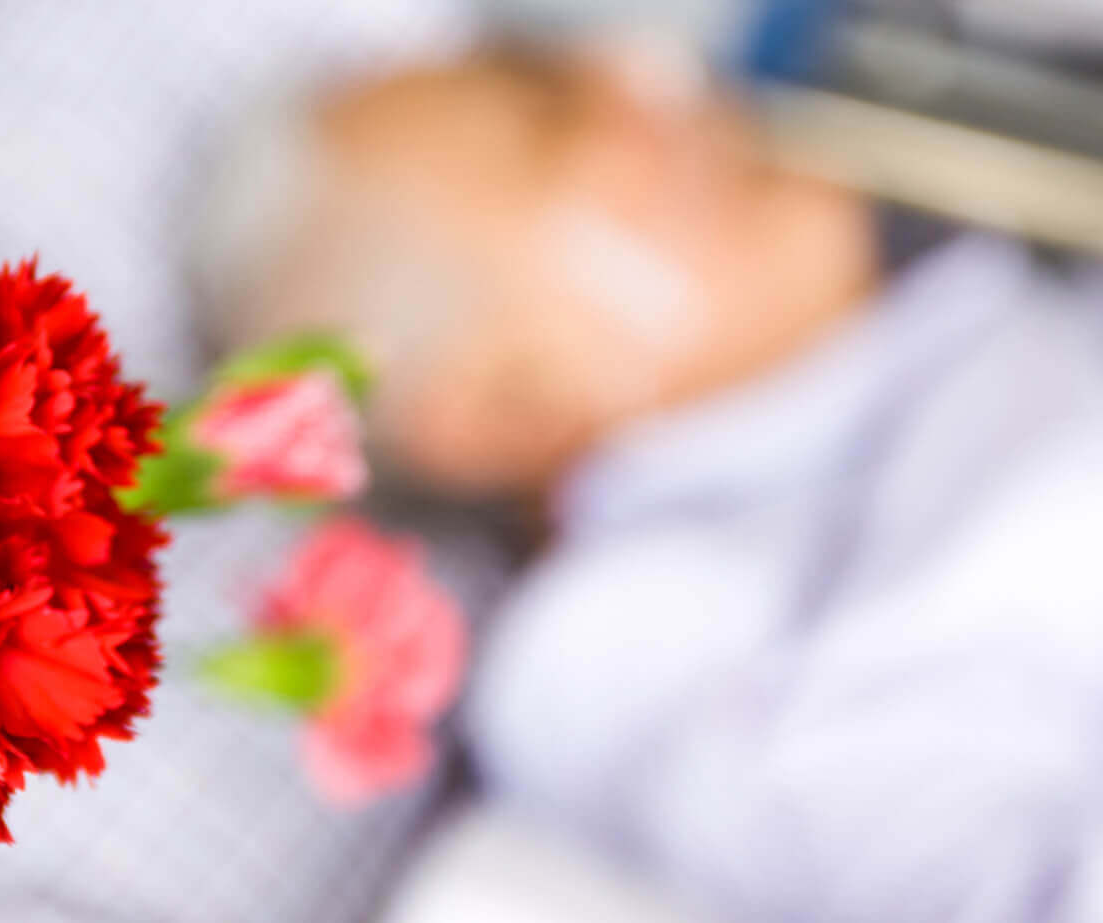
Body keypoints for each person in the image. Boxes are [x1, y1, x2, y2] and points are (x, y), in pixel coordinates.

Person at [202, 38, 1103, 923]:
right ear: (499, 404)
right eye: (550, 123)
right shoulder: (619, 642)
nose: (644, 76)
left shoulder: (970, 180)